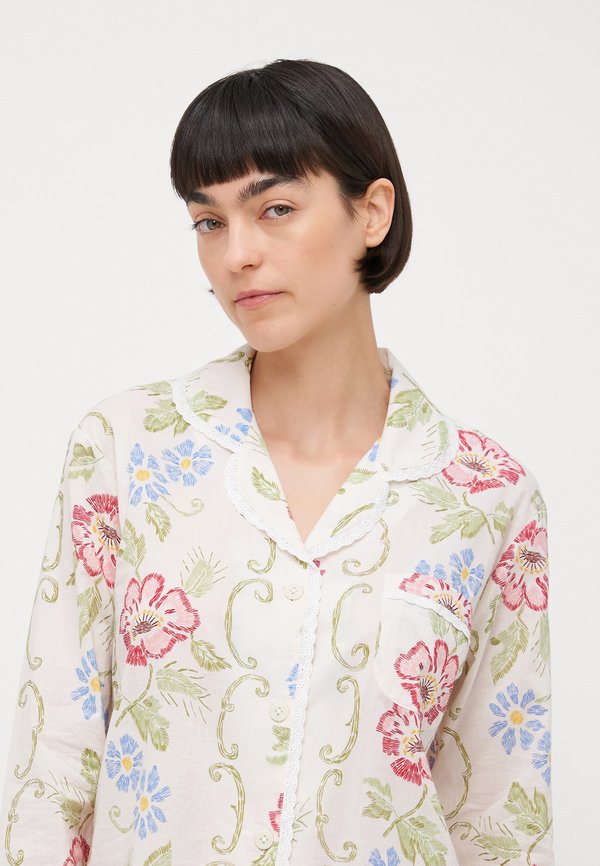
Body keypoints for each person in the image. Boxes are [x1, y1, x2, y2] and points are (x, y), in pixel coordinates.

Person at [0, 59, 554, 866]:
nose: (237, 255)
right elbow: (53, 772)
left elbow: (500, 823)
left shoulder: (488, 498)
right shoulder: (126, 450)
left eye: (276, 209)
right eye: (209, 222)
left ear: (372, 212)